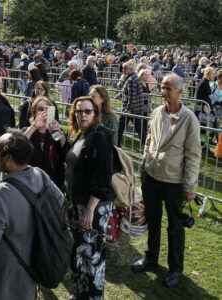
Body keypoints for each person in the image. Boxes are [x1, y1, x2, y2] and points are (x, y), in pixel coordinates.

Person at [131, 74, 201, 288]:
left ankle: (175, 269)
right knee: (152, 220)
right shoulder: (156, 112)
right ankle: (151, 258)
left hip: (174, 183)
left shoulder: (189, 119)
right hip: (151, 177)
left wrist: (189, 186)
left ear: (180, 92)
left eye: (168, 88)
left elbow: (193, 155)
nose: (163, 92)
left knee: (175, 227)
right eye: (161, 87)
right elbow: (149, 141)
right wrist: (144, 166)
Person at [0, 129, 60, 300]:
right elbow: (60, 205)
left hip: (10, 275)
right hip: (36, 263)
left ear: (7, 159)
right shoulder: (40, 174)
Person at [65, 96, 115, 299]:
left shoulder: (100, 137)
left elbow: (103, 177)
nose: (82, 115)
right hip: (78, 204)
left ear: (95, 114)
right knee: (80, 253)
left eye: (87, 111)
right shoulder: (81, 135)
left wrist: (90, 209)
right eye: (78, 111)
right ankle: (81, 293)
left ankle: (93, 296)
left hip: (93, 207)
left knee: (93, 257)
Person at [22, 97, 66, 190]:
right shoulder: (27, 130)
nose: (44, 112)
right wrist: (34, 126)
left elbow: (64, 151)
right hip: (30, 181)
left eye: (47, 109)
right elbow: (19, 145)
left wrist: (60, 134)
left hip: (52, 183)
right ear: (34, 112)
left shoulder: (54, 131)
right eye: (41, 109)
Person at [116, 60, 148, 147]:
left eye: (124, 69)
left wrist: (127, 110)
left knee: (121, 127)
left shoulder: (131, 79)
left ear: (129, 69)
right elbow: (128, 92)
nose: (123, 71)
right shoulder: (134, 77)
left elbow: (132, 96)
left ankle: (117, 144)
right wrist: (120, 95)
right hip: (135, 109)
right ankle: (146, 146)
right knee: (139, 129)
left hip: (131, 109)